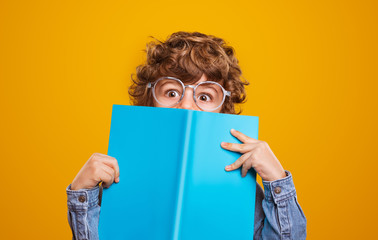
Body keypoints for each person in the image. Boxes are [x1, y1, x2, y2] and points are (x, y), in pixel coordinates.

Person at [66, 31, 307, 240]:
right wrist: (81, 195)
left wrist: (277, 181)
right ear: (148, 102)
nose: (186, 106)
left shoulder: (240, 188)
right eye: (172, 92)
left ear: (224, 110)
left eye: (204, 97)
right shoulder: (116, 179)